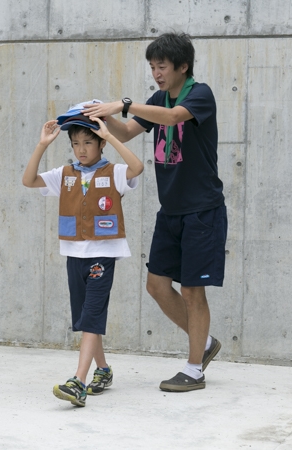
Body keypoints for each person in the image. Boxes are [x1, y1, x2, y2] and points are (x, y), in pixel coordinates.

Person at [82, 32, 227, 392]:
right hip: (171, 211)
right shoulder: (156, 98)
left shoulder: (199, 94)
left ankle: (195, 369)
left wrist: (124, 104)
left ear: (182, 66)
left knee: (193, 291)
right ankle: (205, 343)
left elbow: (174, 117)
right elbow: (129, 131)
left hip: (202, 211)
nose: (156, 73)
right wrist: (101, 116)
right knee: (157, 285)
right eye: (152, 66)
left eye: (162, 66)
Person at [22, 107, 144, 407]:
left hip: (104, 254)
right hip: (73, 254)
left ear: (99, 143)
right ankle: (103, 370)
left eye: (88, 142)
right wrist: (42, 144)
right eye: (76, 143)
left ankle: (78, 381)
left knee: (91, 316)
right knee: (86, 318)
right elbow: (28, 181)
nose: (81, 149)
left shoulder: (113, 172)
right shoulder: (64, 174)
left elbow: (137, 167)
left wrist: (111, 137)